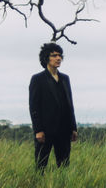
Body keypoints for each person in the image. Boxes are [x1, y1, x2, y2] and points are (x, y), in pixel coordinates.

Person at [29, 42, 78, 170]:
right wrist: (38, 130)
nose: (58, 58)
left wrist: (73, 127)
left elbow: (70, 105)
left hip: (64, 129)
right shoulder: (37, 79)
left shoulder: (65, 78)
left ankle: (61, 184)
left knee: (64, 166)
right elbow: (34, 106)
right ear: (46, 58)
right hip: (45, 131)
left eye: (60, 55)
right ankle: (38, 183)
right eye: (54, 55)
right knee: (41, 166)